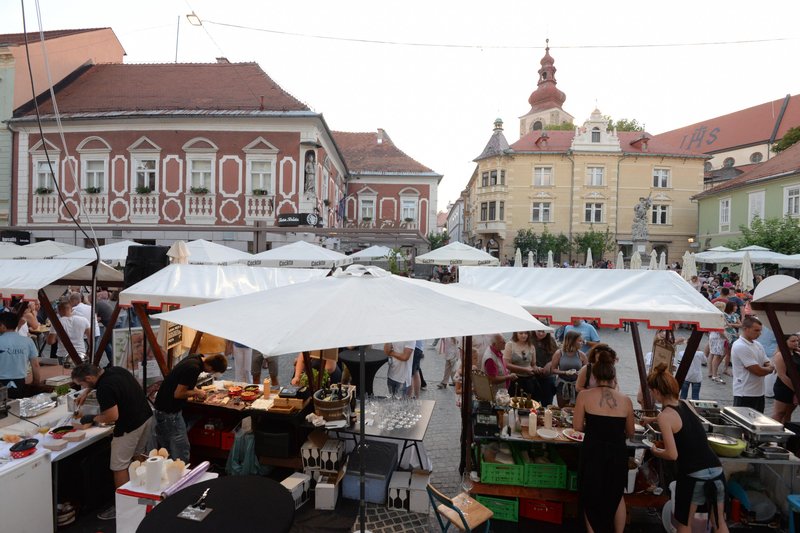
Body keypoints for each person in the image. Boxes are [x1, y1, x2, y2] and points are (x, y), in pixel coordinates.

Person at [645, 365, 729, 533]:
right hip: (716, 469)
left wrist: (655, 451)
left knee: (684, 523)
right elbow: (681, 423)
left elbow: (672, 454)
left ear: (656, 392)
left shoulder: (664, 416)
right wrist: (651, 419)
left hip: (693, 475)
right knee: (718, 523)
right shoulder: (686, 404)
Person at [72, 363, 153, 521]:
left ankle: (123, 505)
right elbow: (100, 384)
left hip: (129, 426)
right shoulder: (115, 370)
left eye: (81, 384)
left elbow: (112, 416)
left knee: (119, 466)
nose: (81, 387)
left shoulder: (105, 388)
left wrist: (92, 418)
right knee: (137, 456)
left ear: (89, 378)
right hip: (146, 417)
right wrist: (87, 391)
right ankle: (143, 494)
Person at [573, 345, 634, 533]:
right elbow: (630, 432)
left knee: (590, 495)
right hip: (617, 453)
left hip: (593, 452)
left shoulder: (584, 396)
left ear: (595, 376)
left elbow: (577, 427)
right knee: (615, 496)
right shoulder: (625, 400)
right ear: (613, 377)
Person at [153, 353, 228, 462]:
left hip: (163, 409)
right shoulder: (193, 368)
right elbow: (178, 394)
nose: (210, 373)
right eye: (213, 371)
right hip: (169, 413)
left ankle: (172, 471)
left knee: (168, 449)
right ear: (211, 368)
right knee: (181, 451)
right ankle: (182, 474)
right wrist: (196, 393)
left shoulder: (196, 358)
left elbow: (184, 383)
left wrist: (198, 391)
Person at [731, 316, 773, 413]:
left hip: (759, 392)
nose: (759, 333)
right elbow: (757, 371)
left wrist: (767, 367)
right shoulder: (740, 346)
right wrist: (770, 369)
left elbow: (766, 361)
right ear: (745, 329)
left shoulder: (758, 344)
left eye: (760, 330)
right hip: (745, 393)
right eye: (756, 330)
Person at [0, 311, 41, 398]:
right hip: (20, 383)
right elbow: (35, 365)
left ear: (3, 326)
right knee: (18, 407)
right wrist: (36, 382)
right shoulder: (27, 341)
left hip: (1, 383)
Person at [47, 298, 90, 366]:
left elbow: (50, 341)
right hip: (80, 352)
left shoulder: (57, 323)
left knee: (64, 375)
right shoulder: (84, 320)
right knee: (80, 374)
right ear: (71, 309)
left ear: (58, 311)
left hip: (63, 353)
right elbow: (90, 338)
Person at [551, 331, 588, 407]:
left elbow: (588, 370)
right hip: (562, 385)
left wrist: (580, 372)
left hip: (577, 385)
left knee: (576, 408)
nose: (582, 343)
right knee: (562, 408)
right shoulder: (559, 353)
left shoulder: (581, 355)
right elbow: (553, 369)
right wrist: (565, 372)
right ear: (572, 341)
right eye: (579, 341)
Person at [771, 334, 800, 424]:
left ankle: (786, 432)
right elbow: (782, 375)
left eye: (797, 341)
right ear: (785, 342)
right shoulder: (780, 355)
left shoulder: (796, 353)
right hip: (784, 387)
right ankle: (772, 431)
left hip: (795, 385)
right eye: (793, 341)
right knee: (779, 413)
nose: (796, 343)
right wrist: (796, 390)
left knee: (788, 413)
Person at [503, 331, 538, 397]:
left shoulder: (531, 346)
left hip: (528, 380)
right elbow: (506, 364)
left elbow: (533, 364)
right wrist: (524, 369)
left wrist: (537, 369)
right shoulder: (510, 345)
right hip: (515, 379)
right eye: (521, 333)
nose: (523, 335)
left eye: (526, 333)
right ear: (516, 334)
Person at [531, 329, 558, 406]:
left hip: (548, 376)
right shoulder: (530, 340)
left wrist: (550, 364)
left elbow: (557, 356)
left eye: (543, 331)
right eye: (539, 331)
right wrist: (535, 367)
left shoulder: (551, 340)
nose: (541, 333)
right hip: (534, 375)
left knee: (547, 402)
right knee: (533, 402)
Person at [708, 302, 727, 383]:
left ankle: (711, 372)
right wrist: (727, 338)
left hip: (712, 335)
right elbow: (720, 330)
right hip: (718, 337)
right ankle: (714, 375)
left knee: (712, 354)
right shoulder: (720, 316)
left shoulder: (712, 315)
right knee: (717, 356)